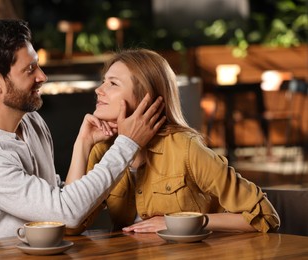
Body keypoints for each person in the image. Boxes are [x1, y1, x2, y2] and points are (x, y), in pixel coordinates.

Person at [0, 20, 166, 245]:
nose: (42, 76)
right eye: (30, 69)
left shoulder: (31, 121)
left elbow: (55, 202)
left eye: (37, 65)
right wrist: (128, 143)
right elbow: (66, 213)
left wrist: (83, 143)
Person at [68, 49, 280, 234]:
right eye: (103, 81)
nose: (99, 90)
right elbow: (70, 224)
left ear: (145, 98)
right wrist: (82, 144)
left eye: (112, 83)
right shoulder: (103, 150)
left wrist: (183, 222)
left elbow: (265, 216)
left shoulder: (185, 148)